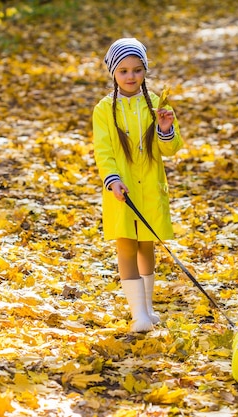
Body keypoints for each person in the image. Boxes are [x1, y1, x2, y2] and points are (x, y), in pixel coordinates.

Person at [92, 38, 184, 332]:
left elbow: (170, 149)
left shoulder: (157, 104)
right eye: (123, 71)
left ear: (145, 70)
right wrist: (113, 180)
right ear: (113, 73)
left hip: (150, 187)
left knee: (147, 245)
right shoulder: (104, 110)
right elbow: (103, 151)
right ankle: (138, 315)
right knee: (126, 247)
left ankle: (148, 308)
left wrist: (166, 129)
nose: (130, 77)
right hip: (122, 190)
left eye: (137, 70)